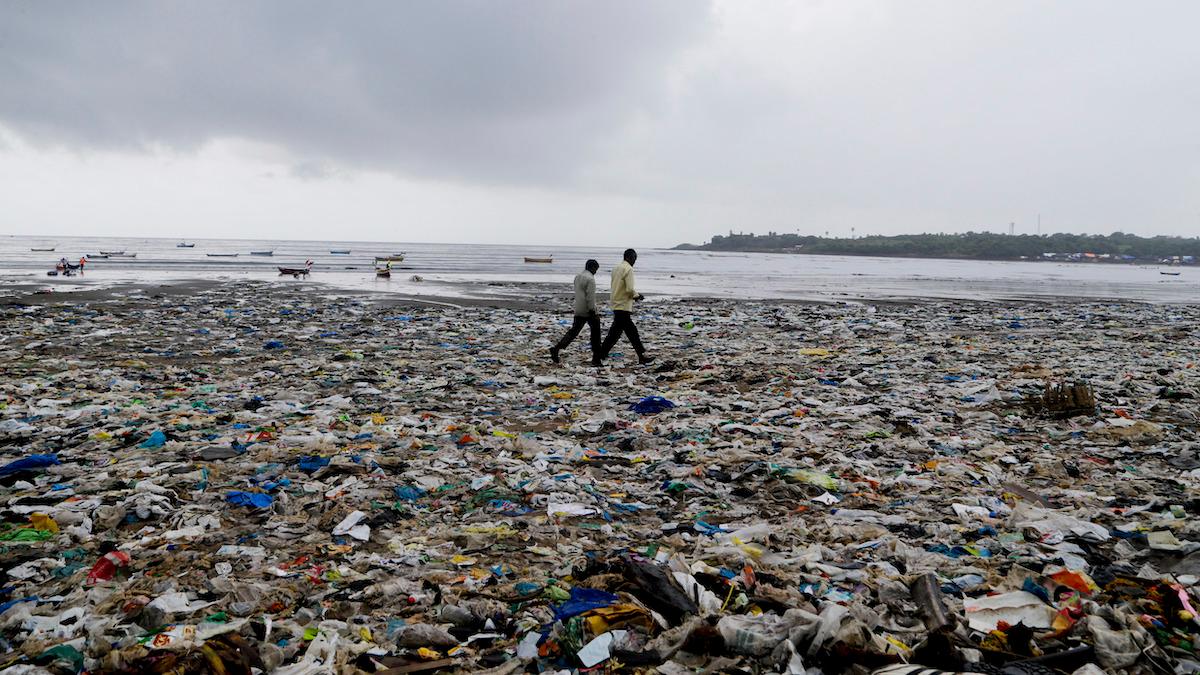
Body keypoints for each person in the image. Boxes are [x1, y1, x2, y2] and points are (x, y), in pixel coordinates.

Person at [595, 248, 653, 366]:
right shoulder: (628, 269)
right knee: (632, 333)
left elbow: (617, 286)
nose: (634, 261)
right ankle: (642, 356)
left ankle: (600, 355)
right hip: (624, 305)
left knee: (614, 334)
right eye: (634, 258)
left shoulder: (616, 268)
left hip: (616, 303)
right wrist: (637, 296)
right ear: (628, 257)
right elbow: (629, 289)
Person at [549, 259, 600, 363]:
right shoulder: (590, 279)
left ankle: (556, 349)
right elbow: (590, 297)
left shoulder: (578, 277)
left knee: (573, 332)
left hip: (578, 309)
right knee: (595, 334)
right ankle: (596, 358)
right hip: (588, 310)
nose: (596, 272)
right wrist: (593, 311)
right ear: (592, 268)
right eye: (596, 269)